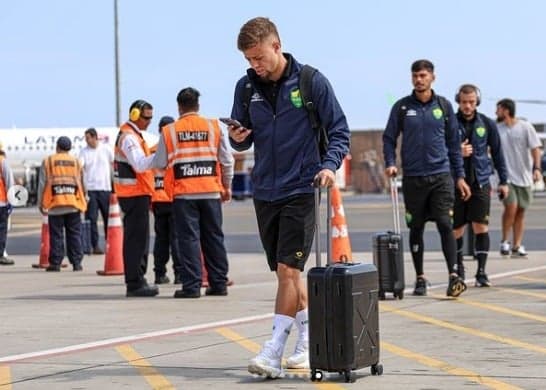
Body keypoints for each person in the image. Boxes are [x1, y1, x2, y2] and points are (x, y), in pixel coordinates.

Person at [228, 17, 350, 378]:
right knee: (288, 276)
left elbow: (339, 129)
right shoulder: (245, 87)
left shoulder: (311, 82)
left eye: (259, 57)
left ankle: (272, 351)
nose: (255, 65)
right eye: (249, 60)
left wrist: (329, 165)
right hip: (265, 189)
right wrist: (238, 137)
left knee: (288, 270)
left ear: (276, 46)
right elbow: (243, 136)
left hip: (303, 186)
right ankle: (309, 341)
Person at [383, 59, 471, 298]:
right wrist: (390, 163)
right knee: (416, 228)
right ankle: (420, 277)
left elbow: (454, 144)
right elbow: (389, 138)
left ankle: (454, 276)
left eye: (423, 75)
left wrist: (460, 177)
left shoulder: (443, 107)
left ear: (432, 77)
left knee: (445, 223)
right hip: (413, 178)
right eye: (415, 76)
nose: (418, 80)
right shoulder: (402, 108)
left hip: (441, 176)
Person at [151, 87, 233, 299]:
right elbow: (227, 161)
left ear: (179, 107)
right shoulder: (213, 126)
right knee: (214, 237)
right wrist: (228, 186)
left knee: (188, 240)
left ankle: (192, 286)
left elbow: (159, 162)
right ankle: (218, 283)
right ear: (198, 105)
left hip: (184, 195)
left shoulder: (169, 131)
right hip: (211, 191)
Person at [452, 84, 509, 287]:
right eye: (464, 102)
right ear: (458, 101)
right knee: (456, 229)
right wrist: (458, 151)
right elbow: (439, 150)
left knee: (481, 227)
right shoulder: (449, 123)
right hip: (456, 183)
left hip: (480, 181)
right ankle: (457, 269)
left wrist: (504, 181)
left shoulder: (486, 123)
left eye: (471, 102)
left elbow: (498, 153)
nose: (467, 106)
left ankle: (482, 272)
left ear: (477, 102)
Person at [114, 99, 157, 297]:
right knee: (135, 241)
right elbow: (139, 164)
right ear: (134, 115)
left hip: (137, 194)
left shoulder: (135, 135)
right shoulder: (129, 137)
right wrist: (160, 156)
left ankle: (138, 279)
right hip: (133, 194)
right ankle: (134, 283)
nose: (149, 121)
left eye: (151, 117)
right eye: (146, 117)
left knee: (139, 240)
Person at [496, 98, 542, 258]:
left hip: (524, 177)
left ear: (506, 110)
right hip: (505, 178)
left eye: (498, 109)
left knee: (521, 211)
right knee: (511, 207)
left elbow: (535, 148)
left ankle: (517, 245)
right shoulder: (496, 129)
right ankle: (504, 242)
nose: (496, 112)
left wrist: (536, 168)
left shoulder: (525, 127)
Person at [37, 136, 87, 271]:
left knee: (56, 235)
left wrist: (40, 203)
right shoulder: (76, 162)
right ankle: (77, 263)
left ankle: (56, 263)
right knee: (75, 234)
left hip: (55, 204)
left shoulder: (48, 161)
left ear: (57, 147)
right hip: (73, 204)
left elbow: (42, 184)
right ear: (69, 148)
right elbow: (83, 183)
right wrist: (85, 198)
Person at [151, 115, 182, 285]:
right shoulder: (178, 150)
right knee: (177, 238)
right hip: (174, 198)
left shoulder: (152, 150)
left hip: (157, 199)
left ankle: (159, 273)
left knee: (161, 239)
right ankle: (179, 274)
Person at [79, 127, 114, 254]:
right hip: (91, 190)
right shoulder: (83, 152)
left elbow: (113, 164)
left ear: (94, 137)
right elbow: (80, 167)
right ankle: (95, 246)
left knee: (108, 218)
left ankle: (110, 243)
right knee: (91, 219)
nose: (87, 141)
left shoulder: (106, 149)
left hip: (105, 189)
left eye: (88, 138)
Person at [0, 148, 15, 265]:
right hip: (1, 202)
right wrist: (12, 201)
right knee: (1, 229)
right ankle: (0, 255)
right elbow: (10, 182)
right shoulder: (2, 162)